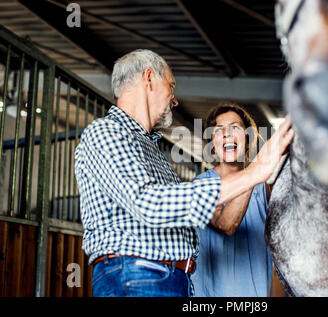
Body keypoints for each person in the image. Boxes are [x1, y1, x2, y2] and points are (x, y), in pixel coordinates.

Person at [74, 49, 294, 297]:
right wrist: (258, 169)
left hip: (169, 280)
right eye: (171, 85)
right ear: (149, 79)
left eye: (235, 128)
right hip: (138, 277)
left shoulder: (151, 150)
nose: (175, 99)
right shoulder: (107, 133)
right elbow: (149, 204)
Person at [191, 103, 285, 297]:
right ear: (212, 144)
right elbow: (227, 225)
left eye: (235, 127)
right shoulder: (200, 185)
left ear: (248, 139)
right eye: (219, 130)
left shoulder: (263, 187)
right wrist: (256, 170)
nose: (227, 134)